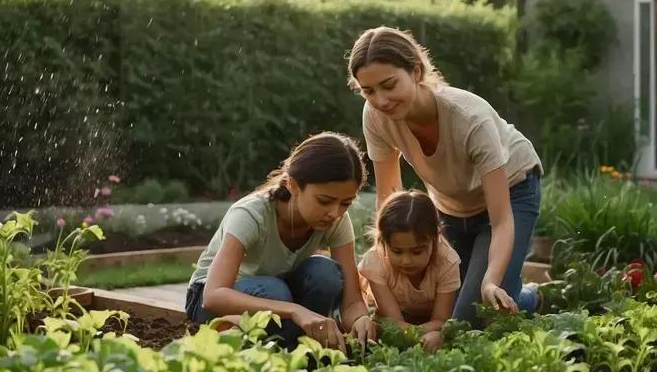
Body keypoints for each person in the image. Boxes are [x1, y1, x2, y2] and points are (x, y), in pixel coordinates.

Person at [348, 26, 542, 325]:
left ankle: (527, 296)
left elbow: (502, 221)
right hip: (449, 205)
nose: (381, 100)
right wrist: (382, 263)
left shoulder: (469, 119)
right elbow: (389, 198)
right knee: (432, 309)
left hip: (511, 193)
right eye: (368, 91)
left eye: (389, 85)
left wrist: (490, 281)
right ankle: (507, 289)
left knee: (471, 318)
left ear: (415, 71)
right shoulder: (375, 116)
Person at [184, 132, 377, 351]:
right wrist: (295, 311)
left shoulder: (336, 219)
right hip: (213, 299)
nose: (334, 213)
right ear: (293, 185)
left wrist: (360, 318)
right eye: (325, 201)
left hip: (279, 292)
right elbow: (213, 296)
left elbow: (352, 301)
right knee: (274, 291)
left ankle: (298, 342)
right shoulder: (251, 215)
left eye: (345, 203)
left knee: (325, 274)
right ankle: (287, 345)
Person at [358, 190, 460, 352]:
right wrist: (420, 334)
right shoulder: (376, 262)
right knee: (377, 331)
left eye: (417, 251)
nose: (406, 261)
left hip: (430, 321)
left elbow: (441, 319)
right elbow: (394, 323)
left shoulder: (447, 261)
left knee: (445, 336)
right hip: (394, 321)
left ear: (435, 238)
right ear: (383, 242)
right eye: (397, 251)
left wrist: (434, 334)